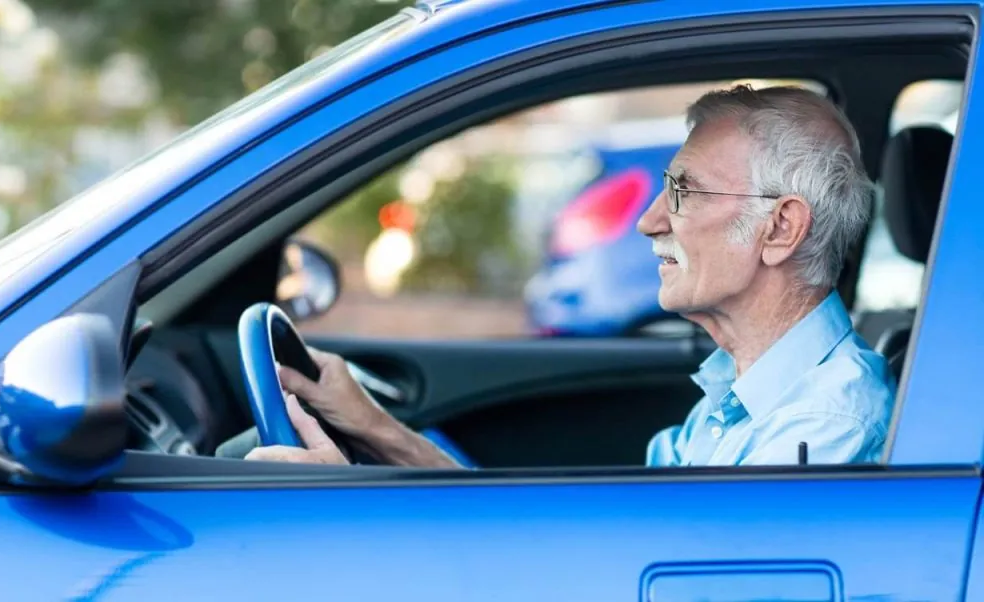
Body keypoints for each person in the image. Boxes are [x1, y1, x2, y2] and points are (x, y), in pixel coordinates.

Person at [244, 84, 896, 468]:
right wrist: (377, 431)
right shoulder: (749, 393)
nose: (647, 222)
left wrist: (357, 518)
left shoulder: (821, 430)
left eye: (685, 192)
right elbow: (595, 560)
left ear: (780, 229)